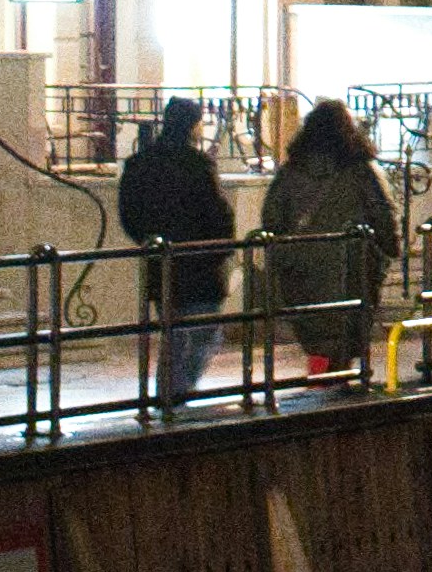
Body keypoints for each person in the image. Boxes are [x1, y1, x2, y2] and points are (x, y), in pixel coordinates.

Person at [256, 90, 399, 392]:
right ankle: (334, 391)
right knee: (342, 338)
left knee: (319, 340)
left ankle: (321, 386)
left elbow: (271, 218)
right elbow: (383, 215)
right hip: (350, 271)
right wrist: (389, 247)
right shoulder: (362, 171)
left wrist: (287, 253)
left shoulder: (290, 172)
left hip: (301, 275)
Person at [114, 93, 234, 420]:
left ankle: (168, 395)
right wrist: (220, 250)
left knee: (174, 332)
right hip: (199, 265)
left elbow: (129, 214)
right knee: (202, 333)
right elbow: (219, 215)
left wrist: (151, 241)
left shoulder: (140, 164)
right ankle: (173, 397)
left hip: (161, 262)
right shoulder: (198, 166)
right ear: (193, 126)